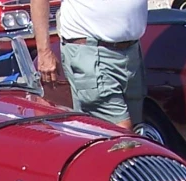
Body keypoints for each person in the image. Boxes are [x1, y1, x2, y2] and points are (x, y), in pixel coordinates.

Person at [31, 0, 148, 130]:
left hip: (131, 51)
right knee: (119, 131)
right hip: (92, 51)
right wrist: (44, 51)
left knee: (136, 131)